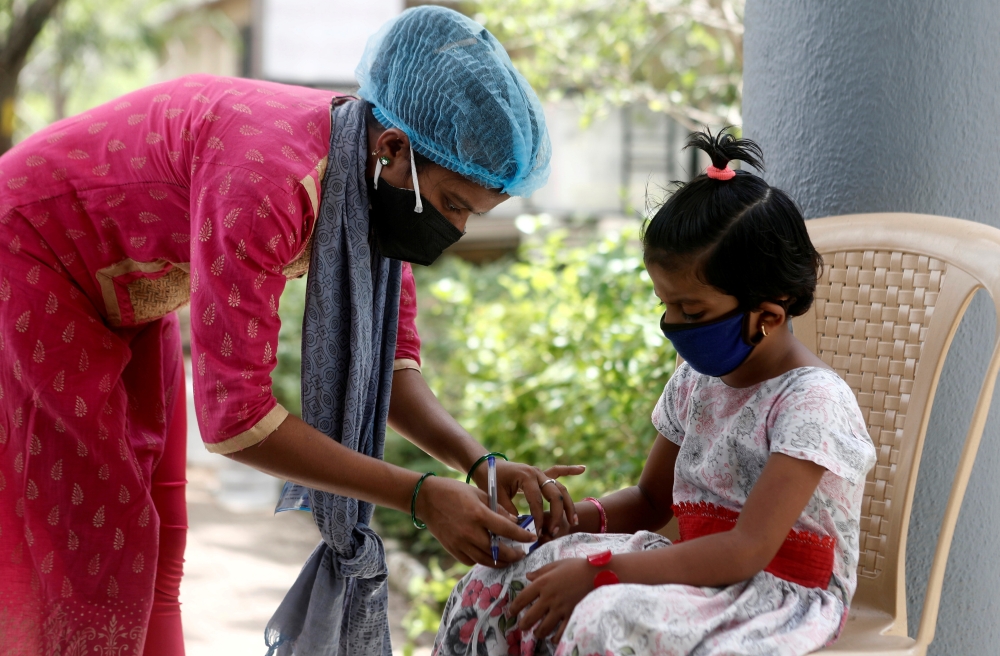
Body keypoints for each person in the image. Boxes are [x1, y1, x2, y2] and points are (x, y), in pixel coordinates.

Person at [0, 6, 581, 655]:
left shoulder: (370, 187)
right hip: (32, 259)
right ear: (393, 149)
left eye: (472, 214)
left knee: (159, 536)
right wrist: (418, 495)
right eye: (451, 205)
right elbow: (235, 420)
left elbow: (392, 369)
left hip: (133, 289)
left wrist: (479, 464)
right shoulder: (268, 180)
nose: (457, 231)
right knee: (91, 542)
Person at [432, 129, 878, 656]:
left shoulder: (812, 404)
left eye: (691, 312)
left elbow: (746, 550)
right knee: (502, 577)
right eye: (665, 306)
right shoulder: (697, 381)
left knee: (605, 616)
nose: (672, 324)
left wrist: (602, 571)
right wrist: (566, 523)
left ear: (768, 316)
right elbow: (649, 500)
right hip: (695, 573)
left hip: (774, 593)